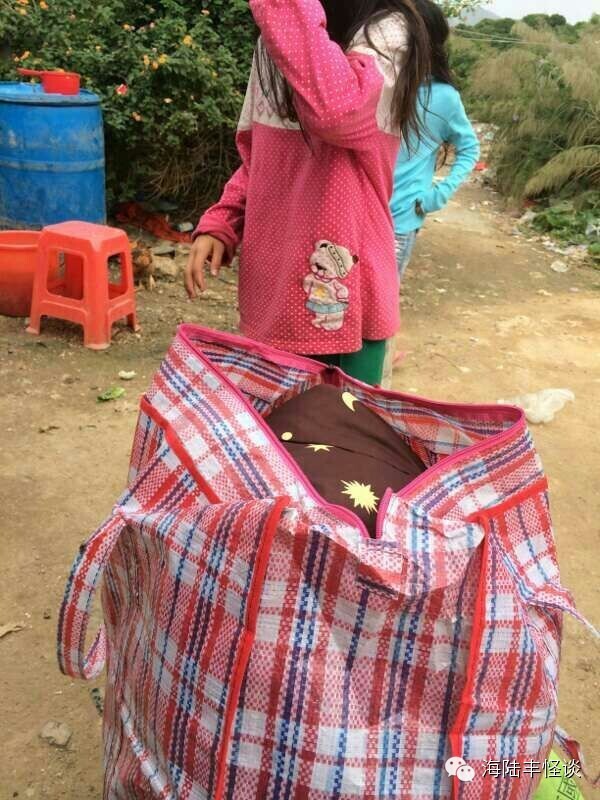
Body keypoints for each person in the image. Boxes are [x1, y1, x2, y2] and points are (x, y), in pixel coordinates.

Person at [184, 0, 432, 386]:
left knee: (341, 423)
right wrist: (224, 219)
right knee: (279, 422)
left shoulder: (387, 34)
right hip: (271, 298)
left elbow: (337, 112)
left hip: (347, 309)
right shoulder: (279, 39)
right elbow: (257, 158)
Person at [390, 0, 480, 281]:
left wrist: (438, 195)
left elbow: (469, 148)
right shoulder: (378, 81)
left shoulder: (443, 97)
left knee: (379, 303)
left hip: (399, 221)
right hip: (356, 215)